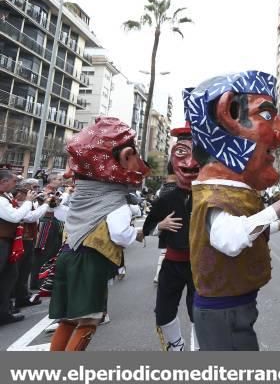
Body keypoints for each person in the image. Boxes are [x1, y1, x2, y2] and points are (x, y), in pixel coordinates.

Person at [184, 70, 280, 350]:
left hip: (233, 310)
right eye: (266, 115)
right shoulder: (215, 194)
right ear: (228, 114)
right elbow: (229, 239)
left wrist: (279, 223)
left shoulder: (226, 193)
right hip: (223, 314)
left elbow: (237, 229)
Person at [48, 117, 150, 351]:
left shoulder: (82, 195)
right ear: (124, 157)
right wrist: (139, 234)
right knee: (89, 319)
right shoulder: (114, 201)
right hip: (89, 261)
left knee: (68, 318)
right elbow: (120, 235)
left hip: (67, 255)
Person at [140, 122, 200, 351]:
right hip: (173, 264)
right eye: (181, 154)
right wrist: (161, 225)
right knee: (163, 313)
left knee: (199, 312)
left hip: (200, 264)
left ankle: (199, 349)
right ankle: (176, 346)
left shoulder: (209, 196)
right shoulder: (166, 198)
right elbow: (146, 228)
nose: (190, 162)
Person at [0, 170, 35, 325]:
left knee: (9, 275)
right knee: (7, 276)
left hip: (6, 241)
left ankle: (4, 311)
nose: (17, 185)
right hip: (1, 242)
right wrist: (28, 202)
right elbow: (14, 216)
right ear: (3, 182)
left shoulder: (5, 197)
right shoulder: (1, 199)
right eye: (14, 181)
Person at [13, 179, 53, 309]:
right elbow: (31, 217)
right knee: (17, 270)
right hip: (20, 239)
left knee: (24, 269)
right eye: (30, 189)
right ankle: (16, 296)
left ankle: (22, 295)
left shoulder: (27, 202)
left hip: (28, 238)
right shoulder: (17, 202)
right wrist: (45, 204)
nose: (34, 191)